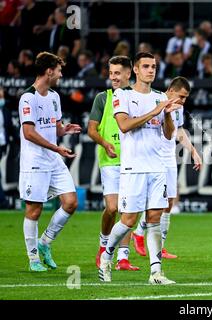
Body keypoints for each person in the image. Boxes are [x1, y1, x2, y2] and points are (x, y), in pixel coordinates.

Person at [98, 52, 181, 284]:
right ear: (135, 69)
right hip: (133, 168)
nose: (151, 70)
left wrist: (167, 116)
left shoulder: (160, 96)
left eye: (153, 66)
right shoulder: (122, 95)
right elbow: (124, 126)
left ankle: (156, 272)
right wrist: (154, 112)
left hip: (157, 167)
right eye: (146, 66)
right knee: (128, 220)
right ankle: (106, 256)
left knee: (155, 217)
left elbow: (167, 134)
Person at [18, 51, 81, 272]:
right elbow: (29, 133)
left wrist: (65, 130)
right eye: (59, 70)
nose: (61, 75)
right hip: (35, 162)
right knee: (34, 210)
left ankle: (45, 242)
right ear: (49, 71)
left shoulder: (54, 97)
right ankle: (33, 258)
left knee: (71, 202)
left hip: (53, 159)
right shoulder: (28, 98)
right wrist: (56, 147)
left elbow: (54, 128)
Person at [132, 77, 202, 259]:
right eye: (181, 96)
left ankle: (159, 245)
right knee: (157, 202)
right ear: (170, 90)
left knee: (169, 202)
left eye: (186, 98)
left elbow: (178, 132)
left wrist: (194, 151)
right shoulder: (155, 101)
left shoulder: (179, 108)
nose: (183, 100)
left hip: (169, 157)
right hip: (155, 157)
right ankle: (139, 233)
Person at [88, 55, 139, 271]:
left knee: (127, 210)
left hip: (133, 160)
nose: (113, 77)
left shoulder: (138, 97)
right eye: (111, 73)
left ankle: (123, 258)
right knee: (112, 207)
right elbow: (91, 129)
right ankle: (103, 246)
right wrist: (104, 142)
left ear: (129, 73)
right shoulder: (103, 98)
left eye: (117, 73)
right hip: (109, 160)